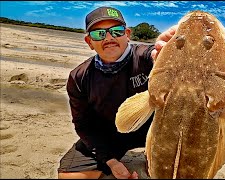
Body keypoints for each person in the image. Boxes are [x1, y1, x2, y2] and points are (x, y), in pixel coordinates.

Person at [57, 6, 177, 179]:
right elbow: (83, 124)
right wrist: (111, 161)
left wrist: (164, 55)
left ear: (127, 34)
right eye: (99, 34)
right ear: (89, 42)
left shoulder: (146, 58)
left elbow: (157, 55)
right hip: (110, 134)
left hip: (157, 132)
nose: (109, 38)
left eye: (116, 31)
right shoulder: (79, 77)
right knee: (70, 177)